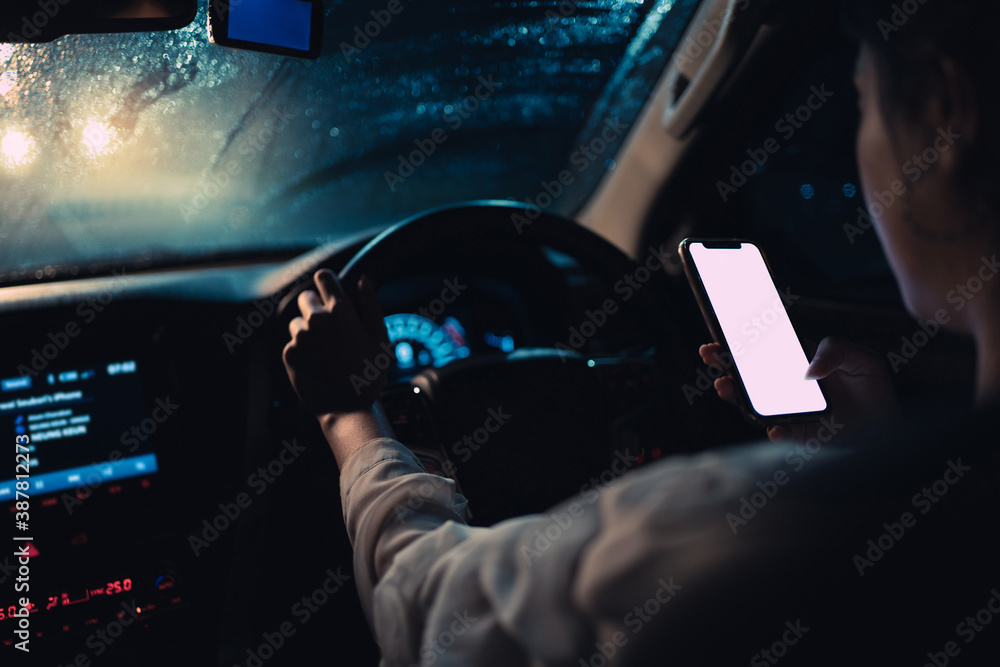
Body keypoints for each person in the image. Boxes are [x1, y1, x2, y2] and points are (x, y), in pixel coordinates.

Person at [281, 0, 1000, 664]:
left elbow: (428, 604)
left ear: (943, 111)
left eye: (863, 104)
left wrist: (348, 414)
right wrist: (866, 445)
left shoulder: (732, 528)